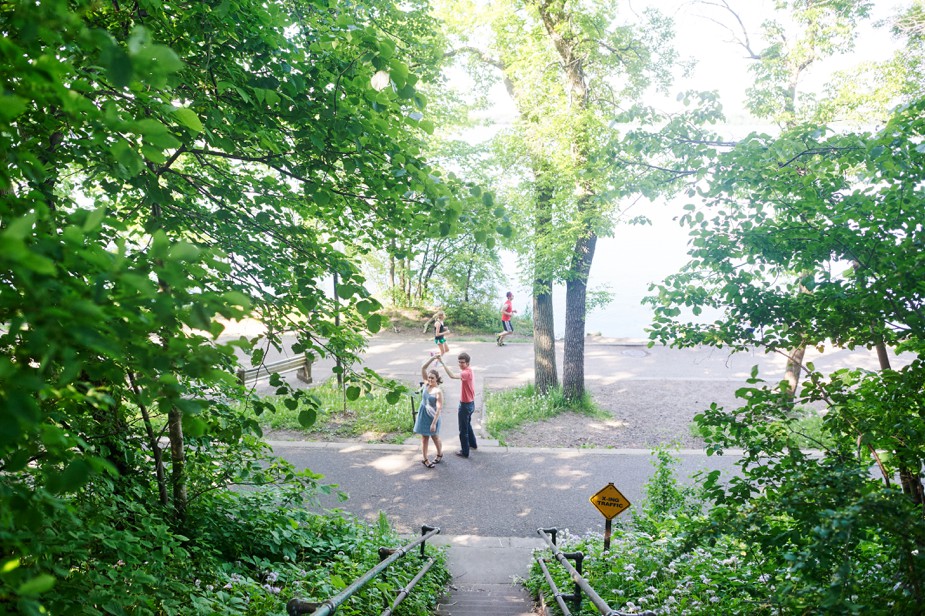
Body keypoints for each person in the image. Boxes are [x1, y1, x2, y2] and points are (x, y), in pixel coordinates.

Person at [438, 352, 477, 458]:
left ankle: (465, 452)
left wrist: (442, 363)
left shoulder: (465, 373)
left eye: (462, 362)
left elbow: (451, 376)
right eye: (459, 362)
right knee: (468, 425)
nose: (460, 364)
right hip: (471, 403)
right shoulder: (469, 370)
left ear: (468, 363)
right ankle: (473, 444)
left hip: (465, 405)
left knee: (463, 430)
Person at [413, 356, 444, 468]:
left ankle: (440, 453)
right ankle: (425, 459)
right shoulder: (426, 384)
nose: (430, 380)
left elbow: (439, 408)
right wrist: (433, 358)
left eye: (433, 378)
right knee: (424, 437)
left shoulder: (438, 391)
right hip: (423, 414)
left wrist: (433, 423)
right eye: (429, 377)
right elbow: (423, 368)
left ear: (437, 379)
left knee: (435, 436)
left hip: (433, 416)